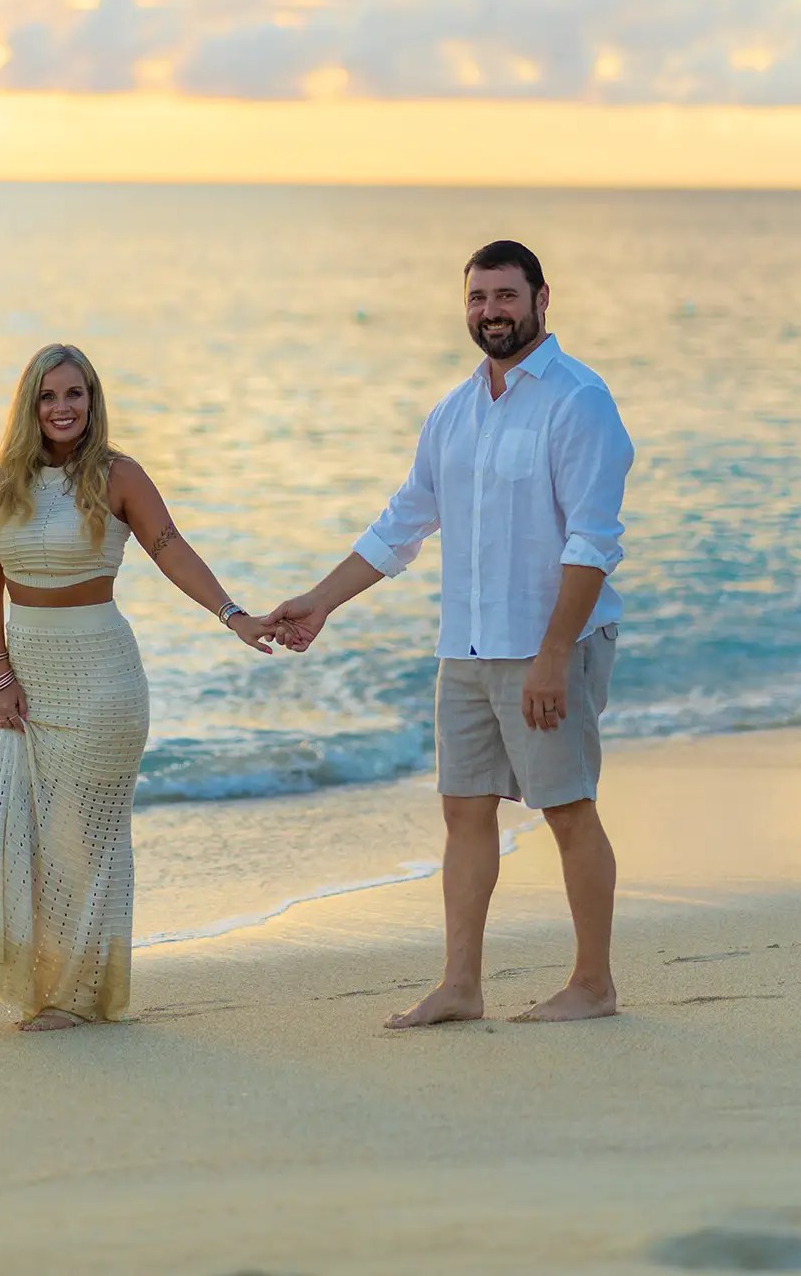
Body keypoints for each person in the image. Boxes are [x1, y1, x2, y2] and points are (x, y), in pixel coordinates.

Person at [268, 241, 634, 1030]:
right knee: (464, 812)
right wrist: (321, 601)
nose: (490, 312)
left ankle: (593, 984)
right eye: (477, 298)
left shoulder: (579, 401)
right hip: (465, 648)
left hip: (549, 646)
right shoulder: (453, 412)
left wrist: (548, 655)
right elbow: (401, 526)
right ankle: (460, 986)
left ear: (541, 299)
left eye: (505, 296)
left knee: (567, 808)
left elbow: (592, 544)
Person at [0, 343, 272, 1032]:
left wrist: (232, 616)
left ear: (92, 401)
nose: (62, 408)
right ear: (30, 405)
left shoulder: (117, 476)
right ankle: (52, 987)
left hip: (103, 680)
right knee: (32, 838)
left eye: (74, 394)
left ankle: (75, 997)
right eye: (48, 397)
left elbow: (170, 548)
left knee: (82, 840)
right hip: (29, 681)